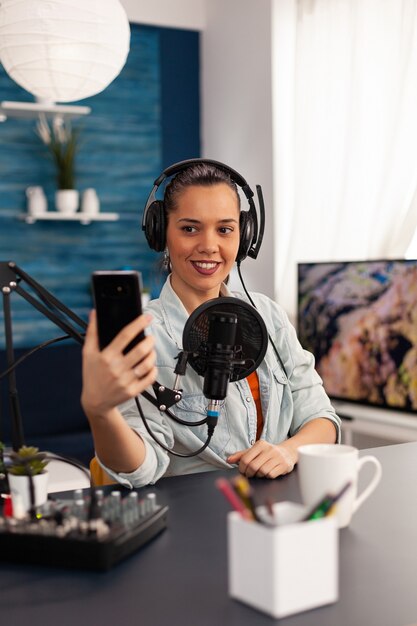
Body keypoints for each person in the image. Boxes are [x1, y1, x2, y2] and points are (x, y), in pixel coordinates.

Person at [81, 160, 340, 488]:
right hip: (198, 518)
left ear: (244, 236)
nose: (209, 245)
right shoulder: (144, 335)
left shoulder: (268, 316)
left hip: (280, 509)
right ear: (161, 232)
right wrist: (100, 412)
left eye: (225, 229)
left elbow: (323, 419)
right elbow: (141, 469)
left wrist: (288, 451)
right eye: (190, 228)